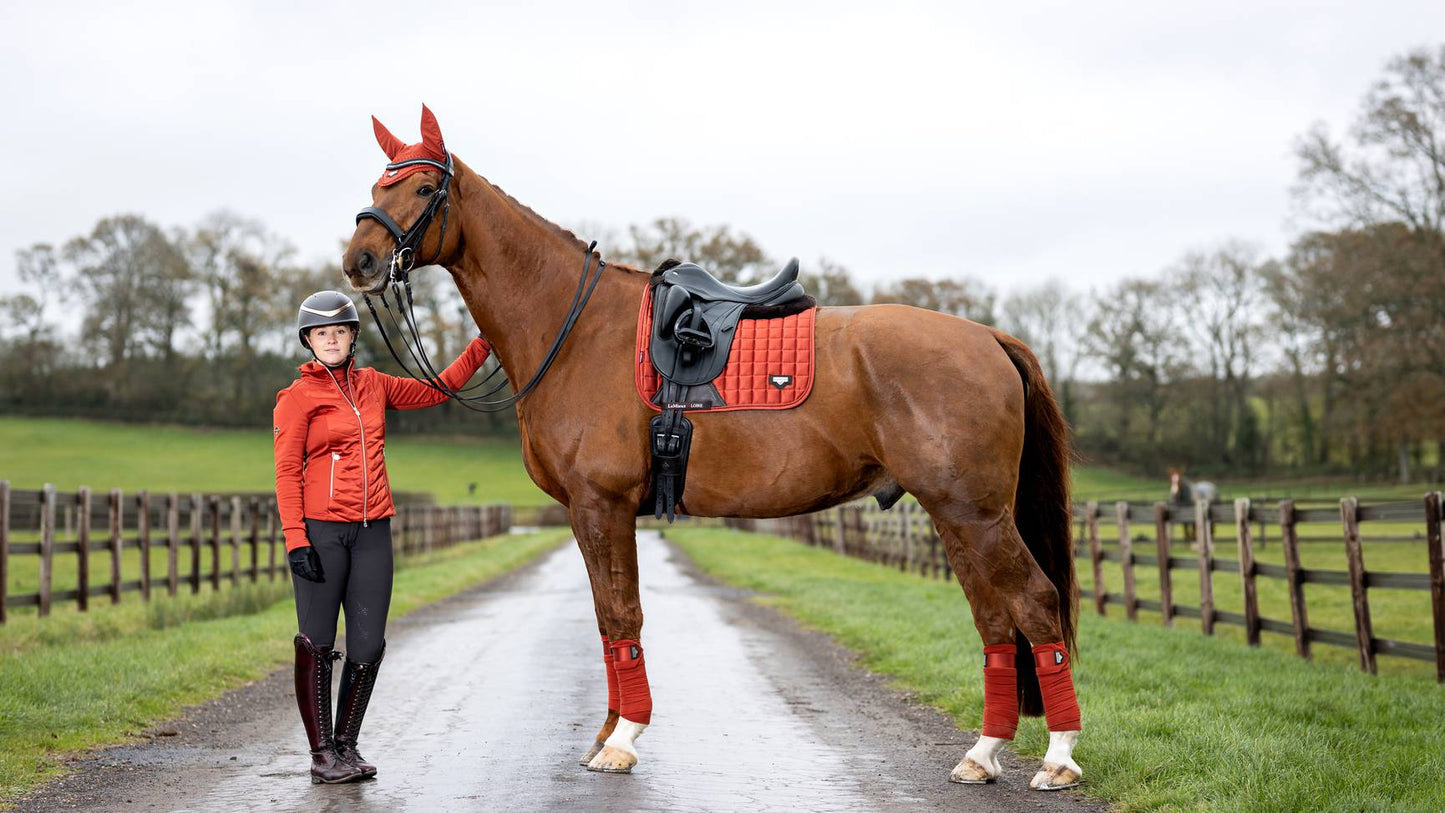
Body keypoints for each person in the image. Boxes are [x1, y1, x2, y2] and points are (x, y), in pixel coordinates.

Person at [273, 290, 492, 784]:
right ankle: (321, 754)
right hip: (322, 533)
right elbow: (286, 472)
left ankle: (346, 744)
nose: (331, 340)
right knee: (317, 641)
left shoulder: (373, 384)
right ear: (309, 340)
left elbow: (436, 389)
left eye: (340, 331)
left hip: (373, 531)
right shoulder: (297, 398)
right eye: (321, 333)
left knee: (368, 645)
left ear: (352, 336)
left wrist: (482, 345)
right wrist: (296, 539)